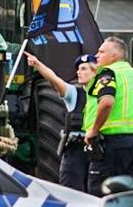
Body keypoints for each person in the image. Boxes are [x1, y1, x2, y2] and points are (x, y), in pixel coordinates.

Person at [25, 51, 97, 194]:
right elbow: (55, 79)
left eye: (84, 69)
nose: (79, 72)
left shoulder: (105, 94)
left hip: (96, 148)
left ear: (95, 71)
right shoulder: (74, 94)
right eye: (78, 69)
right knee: (71, 191)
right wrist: (38, 64)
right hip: (75, 150)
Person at [85, 36, 133, 195]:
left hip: (113, 144)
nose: (96, 55)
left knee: (103, 195)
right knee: (129, 194)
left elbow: (107, 102)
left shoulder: (108, 73)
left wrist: (94, 130)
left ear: (114, 56)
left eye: (102, 51)